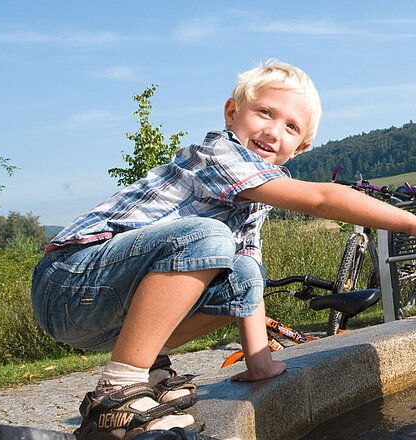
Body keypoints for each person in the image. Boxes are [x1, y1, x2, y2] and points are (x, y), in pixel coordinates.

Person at [31, 60, 416, 439]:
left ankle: (149, 368)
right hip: (70, 281)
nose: (272, 131)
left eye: (291, 127)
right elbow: (319, 198)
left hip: (111, 315)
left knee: (247, 276)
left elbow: (248, 270)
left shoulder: (256, 196)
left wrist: (260, 362)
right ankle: (118, 391)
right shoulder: (218, 154)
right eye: (264, 112)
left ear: (301, 147)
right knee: (208, 236)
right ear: (232, 113)